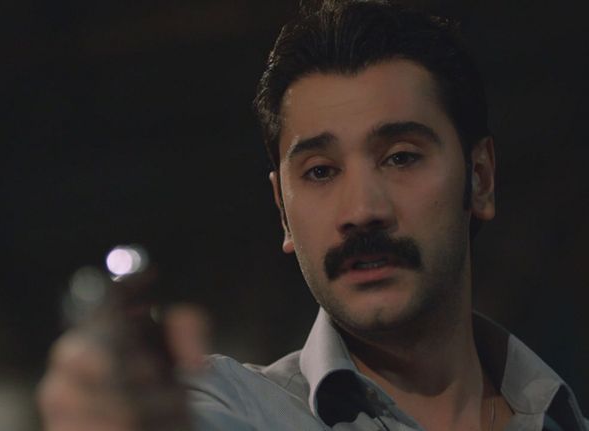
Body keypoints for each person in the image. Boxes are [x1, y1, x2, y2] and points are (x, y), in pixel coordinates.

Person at [40, 1, 587, 430]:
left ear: (480, 178)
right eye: (321, 171)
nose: (362, 211)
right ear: (282, 210)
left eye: (401, 157)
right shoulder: (226, 408)